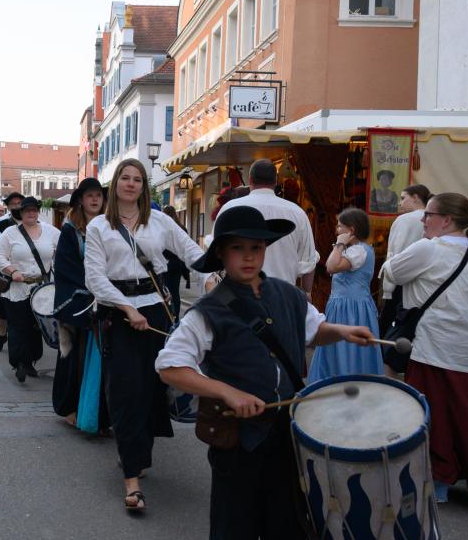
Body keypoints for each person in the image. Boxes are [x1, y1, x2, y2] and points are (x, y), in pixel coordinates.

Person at [156, 205, 374, 540]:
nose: (249, 257)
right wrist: (225, 391)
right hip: (238, 447)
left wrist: (345, 332)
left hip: (288, 443)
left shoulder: (290, 297)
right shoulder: (210, 310)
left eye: (256, 248)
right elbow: (170, 366)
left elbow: (316, 332)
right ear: (222, 255)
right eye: (238, 249)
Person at [84, 158, 204, 513]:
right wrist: (126, 308)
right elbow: (96, 278)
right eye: (126, 177)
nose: (131, 184)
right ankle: (132, 480)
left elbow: (191, 251)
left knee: (153, 387)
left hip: (156, 309)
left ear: (144, 187)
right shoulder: (98, 229)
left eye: (138, 179)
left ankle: (136, 451)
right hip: (118, 313)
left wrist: (214, 272)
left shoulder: (160, 221)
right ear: (115, 183)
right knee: (125, 391)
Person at [382, 192, 468, 504]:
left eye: (428, 214)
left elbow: (392, 271)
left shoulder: (430, 249)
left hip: (437, 347)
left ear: (447, 220)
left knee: (436, 417)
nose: (423, 220)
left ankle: (437, 482)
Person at [52, 178, 107, 427]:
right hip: (79, 301)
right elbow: (65, 268)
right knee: (76, 356)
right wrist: (87, 290)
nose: (95, 199)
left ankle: (98, 411)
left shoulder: (110, 227)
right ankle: (70, 407)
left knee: (104, 358)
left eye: (98, 195)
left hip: (107, 298)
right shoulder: (70, 231)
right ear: (81, 201)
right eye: (89, 196)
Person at [217, 159, 316, 292]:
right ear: (275, 181)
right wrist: (306, 293)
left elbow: (216, 255)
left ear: (250, 180)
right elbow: (309, 260)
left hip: (240, 298)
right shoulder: (297, 213)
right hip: (283, 296)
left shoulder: (230, 208)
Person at [308, 208, 384, 381]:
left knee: (347, 348)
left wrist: (340, 244)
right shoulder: (356, 250)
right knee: (339, 346)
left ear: (352, 230)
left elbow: (331, 266)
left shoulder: (359, 251)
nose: (336, 230)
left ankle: (346, 379)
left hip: (351, 308)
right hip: (346, 306)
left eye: (340, 226)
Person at [0, 196, 60, 383]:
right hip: (17, 288)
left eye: (34, 209)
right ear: (20, 213)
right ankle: (19, 363)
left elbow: (63, 253)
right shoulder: (10, 233)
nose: (31, 212)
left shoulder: (51, 232)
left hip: (41, 288)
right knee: (18, 326)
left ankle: (30, 361)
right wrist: (12, 270)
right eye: (27, 210)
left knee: (36, 327)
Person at [379, 183, 430, 338]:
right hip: (424, 280)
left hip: (401, 278)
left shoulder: (404, 220)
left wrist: (388, 287)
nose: (400, 203)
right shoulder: (433, 218)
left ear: (415, 198)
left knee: (391, 321)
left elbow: (394, 252)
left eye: (403, 198)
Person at [0, 192, 24, 351]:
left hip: (27, 271)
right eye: (13, 204)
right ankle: (2, 334)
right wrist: (5, 264)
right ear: (8, 207)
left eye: (19, 203)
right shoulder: (2, 223)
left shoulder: (32, 221)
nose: (16, 206)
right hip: (6, 269)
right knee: (2, 307)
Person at [161, 205, 193, 317]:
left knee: (165, 291)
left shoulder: (162, 228)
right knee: (175, 291)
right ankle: (176, 317)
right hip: (177, 264)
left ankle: (169, 315)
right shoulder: (181, 228)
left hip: (165, 264)